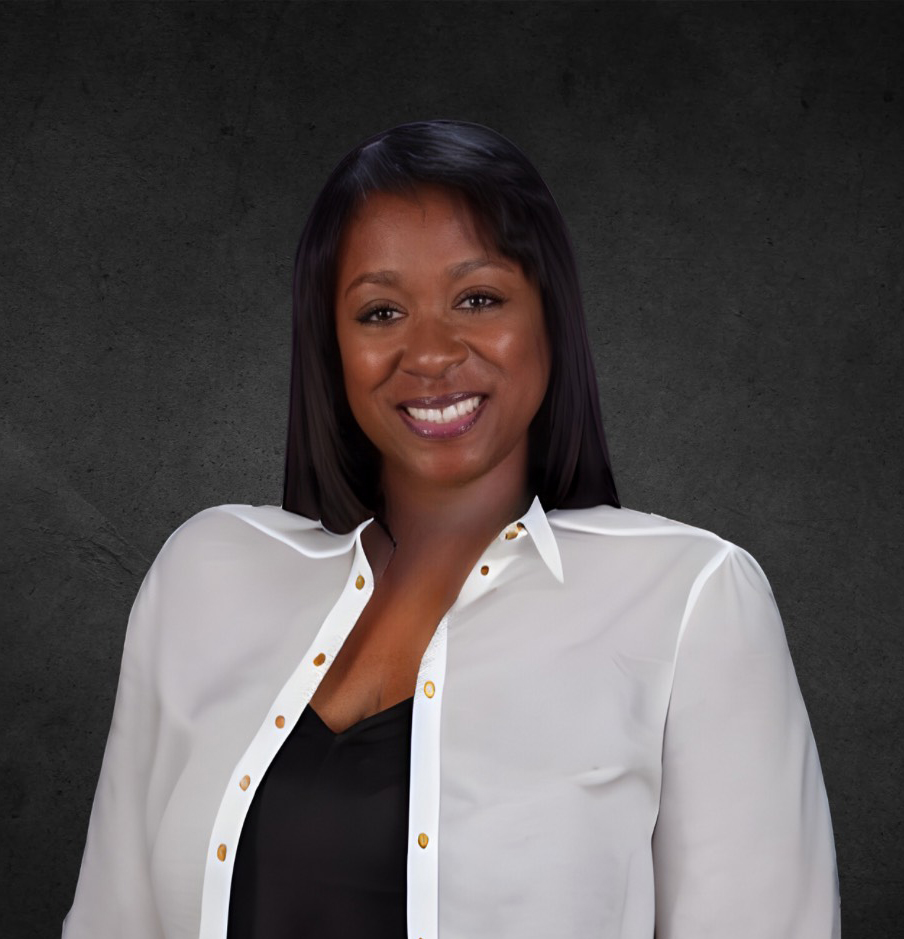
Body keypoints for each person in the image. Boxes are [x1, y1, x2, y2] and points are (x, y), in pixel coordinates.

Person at [62, 120, 840, 939]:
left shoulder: (693, 601)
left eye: (478, 298)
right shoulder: (204, 576)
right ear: (331, 345)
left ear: (552, 318)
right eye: (381, 310)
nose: (429, 353)